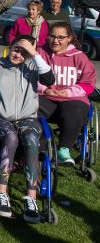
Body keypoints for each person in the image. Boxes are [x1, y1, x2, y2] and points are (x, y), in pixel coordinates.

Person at [0, 35, 55, 223]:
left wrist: (34, 53)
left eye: (23, 52)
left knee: (31, 139)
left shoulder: (33, 67)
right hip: (0, 117)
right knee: (11, 137)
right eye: (16, 49)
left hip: (27, 118)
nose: (18, 54)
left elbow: (50, 79)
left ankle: (31, 198)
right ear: (10, 47)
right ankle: (1, 192)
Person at [37, 22, 97, 165]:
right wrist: (44, 89)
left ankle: (64, 150)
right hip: (46, 96)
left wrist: (68, 92)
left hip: (72, 99)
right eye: (52, 36)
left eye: (60, 37)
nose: (55, 40)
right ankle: (39, 148)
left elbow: (88, 83)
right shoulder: (40, 53)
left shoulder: (79, 57)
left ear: (69, 38)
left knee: (75, 111)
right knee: (30, 108)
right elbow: (29, 77)